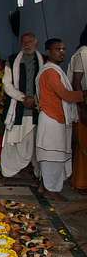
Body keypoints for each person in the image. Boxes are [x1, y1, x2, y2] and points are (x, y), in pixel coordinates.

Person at [35, 38, 87, 200]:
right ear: (48, 52)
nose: (62, 52)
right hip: (52, 119)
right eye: (58, 49)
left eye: (64, 49)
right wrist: (84, 94)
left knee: (54, 155)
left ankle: (45, 187)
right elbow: (64, 95)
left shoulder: (55, 70)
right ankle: (51, 190)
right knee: (52, 156)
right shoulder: (50, 72)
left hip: (55, 118)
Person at [1, 32, 44, 178]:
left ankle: (38, 175)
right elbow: (7, 84)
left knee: (37, 143)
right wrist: (23, 98)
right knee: (14, 142)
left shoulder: (44, 60)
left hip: (38, 109)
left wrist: (36, 100)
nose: (27, 44)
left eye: (30, 42)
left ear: (36, 43)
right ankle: (9, 172)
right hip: (18, 108)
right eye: (24, 42)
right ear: (21, 43)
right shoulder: (12, 60)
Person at [68, 24, 87, 192]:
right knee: (82, 146)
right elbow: (76, 82)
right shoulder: (83, 53)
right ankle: (80, 182)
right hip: (83, 105)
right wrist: (81, 106)